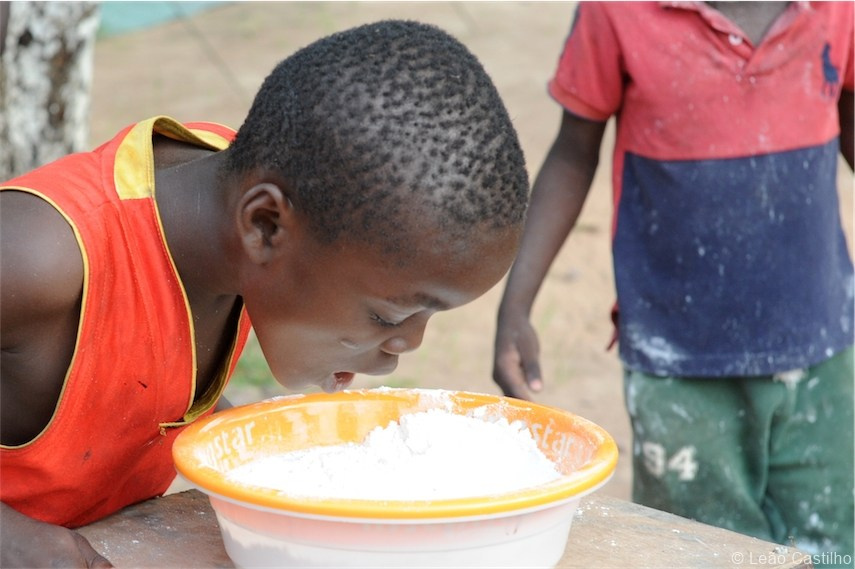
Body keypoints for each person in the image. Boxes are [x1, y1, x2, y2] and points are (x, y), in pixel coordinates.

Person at [0, 20, 529, 568]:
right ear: (266, 226)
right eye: (388, 315)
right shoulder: (37, 257)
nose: (408, 345)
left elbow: (145, 370)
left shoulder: (256, 202)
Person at [492, 2, 853, 565]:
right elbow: (574, 153)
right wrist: (516, 304)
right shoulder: (616, 12)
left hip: (821, 348)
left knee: (832, 545)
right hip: (680, 361)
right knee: (700, 550)